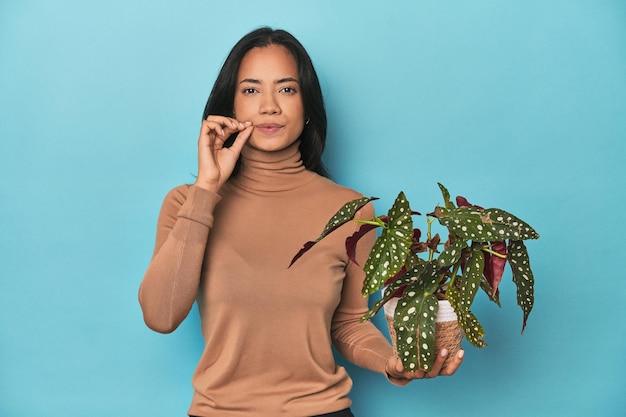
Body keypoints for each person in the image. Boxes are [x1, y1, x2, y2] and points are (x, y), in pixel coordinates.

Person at [138, 27, 463, 417]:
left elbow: (349, 324)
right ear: (230, 107)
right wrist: (206, 189)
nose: (270, 106)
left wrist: (392, 363)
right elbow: (160, 315)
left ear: (308, 107)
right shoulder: (186, 204)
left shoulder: (352, 211)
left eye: (287, 89)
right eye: (251, 90)